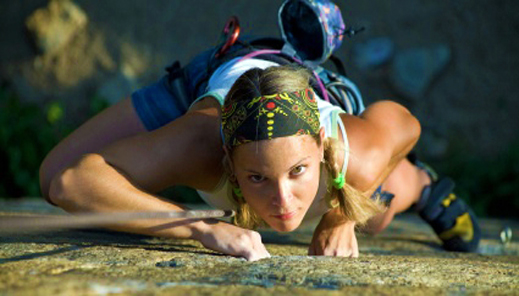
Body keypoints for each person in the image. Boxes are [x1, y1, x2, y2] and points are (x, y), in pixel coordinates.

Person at [39, 1, 481, 261]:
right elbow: (69, 181)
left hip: (305, 99)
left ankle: (424, 186)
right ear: (227, 162)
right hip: (209, 80)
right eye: (256, 178)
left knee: (375, 212)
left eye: (297, 172)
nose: (283, 205)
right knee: (54, 175)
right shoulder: (199, 144)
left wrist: (340, 215)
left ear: (322, 146)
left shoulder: (352, 152)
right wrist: (196, 227)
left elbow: (406, 125)